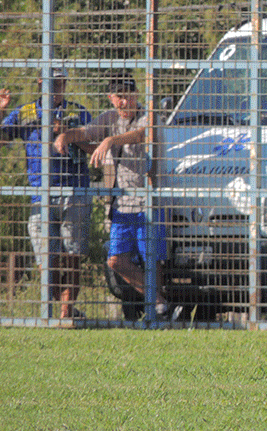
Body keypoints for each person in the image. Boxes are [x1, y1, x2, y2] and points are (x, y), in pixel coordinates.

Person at [54, 73, 177, 319]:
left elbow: (143, 135)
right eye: (119, 97)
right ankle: (161, 304)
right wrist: (66, 136)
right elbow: (87, 132)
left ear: (136, 96)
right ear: (111, 98)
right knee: (116, 261)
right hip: (122, 205)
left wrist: (110, 140)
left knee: (152, 261)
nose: (124, 103)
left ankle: (158, 311)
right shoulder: (110, 118)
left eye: (129, 96)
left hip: (148, 202)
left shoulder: (148, 118)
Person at [0, 68, 93, 319]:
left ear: (65, 84)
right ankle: (48, 308)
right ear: (40, 83)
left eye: (59, 83)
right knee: (46, 259)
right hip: (40, 194)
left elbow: (95, 148)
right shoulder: (26, 112)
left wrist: (70, 134)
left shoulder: (77, 111)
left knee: (72, 255)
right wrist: (1, 110)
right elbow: (3, 138)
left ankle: (65, 312)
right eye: (49, 83)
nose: (54, 88)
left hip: (74, 190)